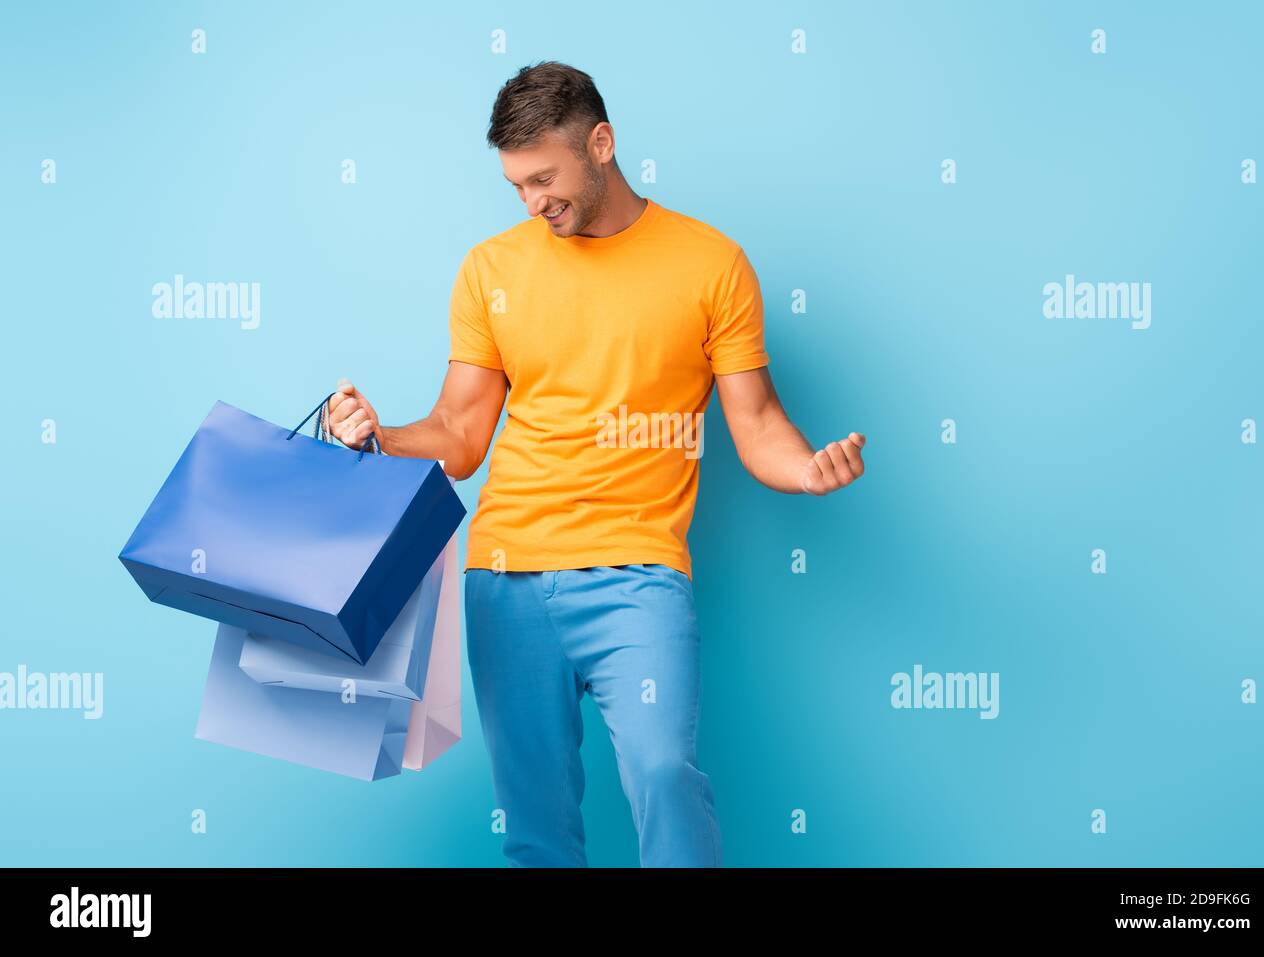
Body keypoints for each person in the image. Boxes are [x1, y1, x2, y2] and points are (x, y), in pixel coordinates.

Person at [328, 61, 865, 867]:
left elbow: (756, 425)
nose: (532, 201)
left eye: (544, 177)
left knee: (663, 769)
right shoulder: (491, 271)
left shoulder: (711, 263)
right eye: (515, 185)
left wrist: (806, 470)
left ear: (601, 144)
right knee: (536, 826)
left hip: (638, 572)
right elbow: (462, 435)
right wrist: (378, 436)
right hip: (506, 577)